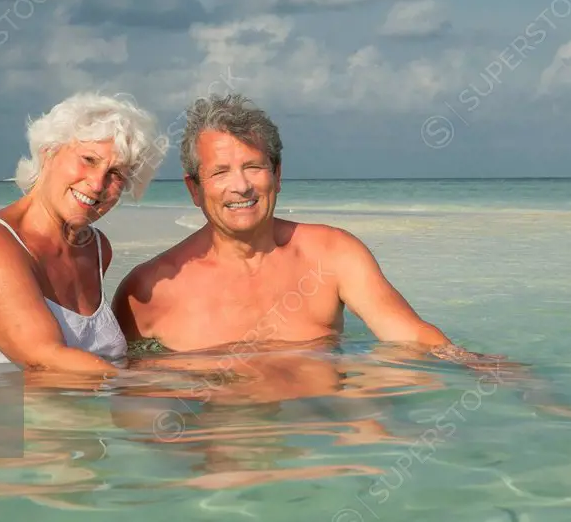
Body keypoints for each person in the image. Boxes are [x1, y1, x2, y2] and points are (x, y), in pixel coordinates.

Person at [112, 93, 492, 366]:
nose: (241, 186)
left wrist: (490, 370)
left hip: (323, 441)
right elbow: (127, 393)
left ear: (277, 175)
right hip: (221, 444)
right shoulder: (147, 290)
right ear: (195, 188)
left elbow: (411, 336)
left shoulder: (332, 254)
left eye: (254, 167)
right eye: (220, 172)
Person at [0, 92, 167, 372]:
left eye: (116, 173)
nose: (97, 183)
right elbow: (45, 361)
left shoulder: (96, 249)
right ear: (48, 153)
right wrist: (164, 386)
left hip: (70, 415)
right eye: (89, 159)